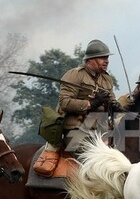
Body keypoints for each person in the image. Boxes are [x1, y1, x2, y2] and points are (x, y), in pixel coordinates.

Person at [35, 39, 121, 174]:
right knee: (93, 157)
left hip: (100, 129)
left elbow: (111, 99)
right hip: (76, 129)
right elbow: (65, 102)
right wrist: (90, 104)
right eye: (102, 57)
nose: (107, 61)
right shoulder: (75, 75)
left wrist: (116, 106)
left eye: (107, 57)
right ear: (90, 60)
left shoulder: (106, 79)